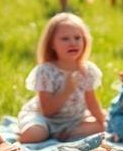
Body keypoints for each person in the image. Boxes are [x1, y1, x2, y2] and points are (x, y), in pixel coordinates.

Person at [15, 13, 105, 143]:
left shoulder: (87, 70)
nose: (72, 43)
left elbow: (92, 103)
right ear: (52, 44)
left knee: (100, 126)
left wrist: (103, 122)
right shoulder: (46, 71)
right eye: (65, 39)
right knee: (34, 134)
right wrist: (67, 90)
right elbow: (47, 111)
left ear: (84, 41)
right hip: (44, 119)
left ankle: (65, 134)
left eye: (77, 38)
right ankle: (44, 133)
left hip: (74, 120)